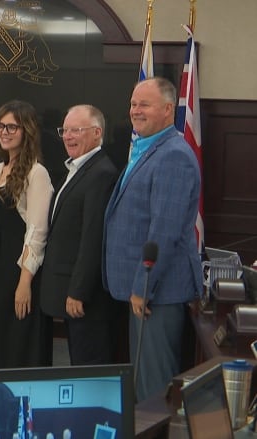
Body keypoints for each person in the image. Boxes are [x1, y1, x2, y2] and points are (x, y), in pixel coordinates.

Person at [103, 77, 203, 402]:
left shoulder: (173, 155)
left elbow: (164, 230)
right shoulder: (148, 149)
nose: (135, 111)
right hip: (146, 291)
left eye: (143, 104)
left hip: (157, 292)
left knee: (154, 390)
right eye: (133, 104)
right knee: (143, 384)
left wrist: (142, 287)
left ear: (168, 109)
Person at [0, 100, 54, 369]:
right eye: (0, 126)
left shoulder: (36, 173)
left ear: (26, 131)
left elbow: (37, 232)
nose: (4, 132)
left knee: (13, 345)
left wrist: (24, 282)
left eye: (12, 127)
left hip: (14, 273)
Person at [39, 105, 120, 365]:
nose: (68, 136)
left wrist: (78, 291)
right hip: (67, 289)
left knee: (88, 364)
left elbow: (93, 238)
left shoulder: (101, 173)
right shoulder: (77, 168)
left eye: (76, 130)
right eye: (65, 130)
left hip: (86, 299)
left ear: (97, 133)